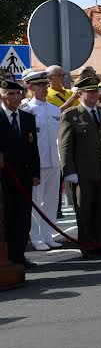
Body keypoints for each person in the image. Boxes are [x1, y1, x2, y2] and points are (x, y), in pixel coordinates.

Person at [59, 76, 101, 259]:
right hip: (82, 172)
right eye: (90, 91)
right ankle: (87, 245)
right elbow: (65, 145)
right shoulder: (71, 115)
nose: (94, 94)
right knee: (84, 210)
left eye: (95, 91)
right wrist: (68, 170)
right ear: (80, 94)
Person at [0, 79, 40, 268]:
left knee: (23, 218)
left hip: (23, 177)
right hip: (3, 179)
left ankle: (19, 256)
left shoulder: (27, 118)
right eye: (10, 94)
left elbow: (33, 149)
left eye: (18, 94)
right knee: (6, 218)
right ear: (2, 95)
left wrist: (35, 173)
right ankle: (5, 258)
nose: (15, 98)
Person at [21, 71, 62, 250]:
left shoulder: (54, 109)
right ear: (30, 87)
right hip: (37, 164)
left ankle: (48, 235)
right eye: (40, 86)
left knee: (51, 201)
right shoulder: (26, 110)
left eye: (45, 85)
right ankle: (36, 237)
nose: (44, 89)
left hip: (54, 162)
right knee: (36, 202)